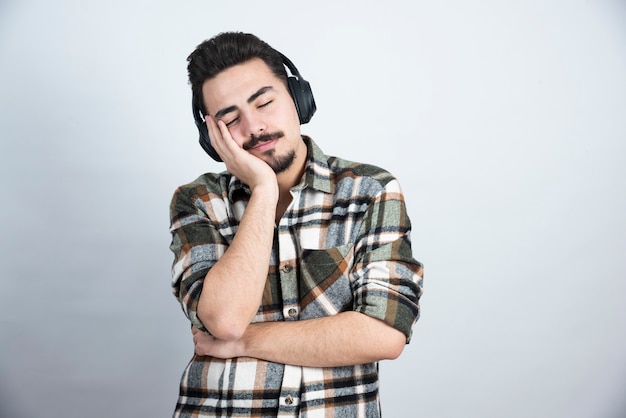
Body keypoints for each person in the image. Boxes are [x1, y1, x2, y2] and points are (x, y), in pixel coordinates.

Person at [168, 31, 424, 418]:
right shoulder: (199, 201)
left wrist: (243, 343)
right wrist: (264, 190)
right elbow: (224, 319)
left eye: (265, 103)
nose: (254, 127)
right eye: (231, 118)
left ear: (298, 99)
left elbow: (383, 334)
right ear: (212, 136)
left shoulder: (370, 191)